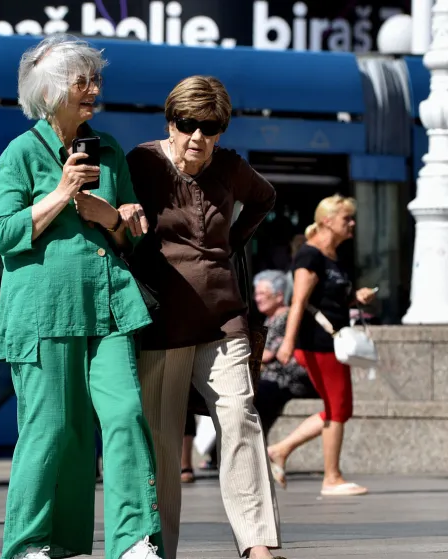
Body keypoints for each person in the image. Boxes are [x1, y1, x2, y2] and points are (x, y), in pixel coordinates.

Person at [0, 34, 163, 559]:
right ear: (50, 92)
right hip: (42, 314)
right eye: (81, 81)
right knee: (52, 429)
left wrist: (112, 215)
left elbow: (132, 230)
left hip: (107, 307)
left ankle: (133, 540)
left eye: (95, 79)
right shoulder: (19, 154)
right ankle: (31, 543)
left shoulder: (107, 150)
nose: (93, 89)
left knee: (127, 413)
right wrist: (62, 193)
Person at [127, 75, 282, 559]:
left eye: (209, 128)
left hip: (223, 319)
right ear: (170, 122)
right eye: (187, 124)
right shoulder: (141, 162)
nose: (197, 137)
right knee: (162, 443)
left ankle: (257, 544)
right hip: (160, 323)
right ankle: (158, 547)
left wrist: (232, 243)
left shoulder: (231, 168)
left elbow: (264, 198)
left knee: (240, 416)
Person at [272, 195, 375, 496]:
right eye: (347, 218)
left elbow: (330, 299)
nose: (352, 223)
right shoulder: (310, 255)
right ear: (327, 220)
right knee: (338, 408)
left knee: (338, 407)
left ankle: (281, 449)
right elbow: (299, 302)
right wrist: (287, 343)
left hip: (332, 343)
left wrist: (356, 297)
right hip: (317, 344)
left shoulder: (332, 256)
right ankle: (331, 478)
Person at [251, 269, 320, 438]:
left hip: (289, 379)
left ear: (279, 296)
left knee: (255, 393)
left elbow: (267, 354)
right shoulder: (270, 318)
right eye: (256, 293)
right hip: (273, 377)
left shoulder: (288, 316)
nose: (257, 298)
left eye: (262, 293)